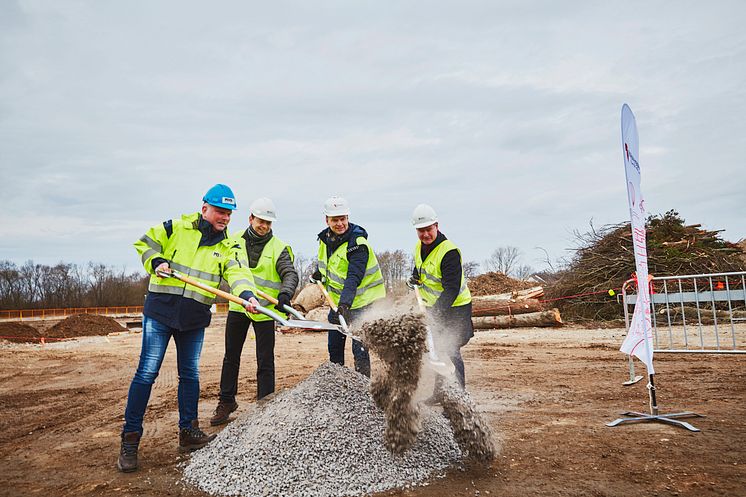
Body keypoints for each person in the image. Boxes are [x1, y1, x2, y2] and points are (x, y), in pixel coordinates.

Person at [118, 184, 260, 473]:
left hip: (194, 318)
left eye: (229, 214)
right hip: (160, 311)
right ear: (204, 207)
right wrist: (155, 261)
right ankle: (130, 440)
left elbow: (238, 273)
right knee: (147, 373)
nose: (225, 218)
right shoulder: (176, 228)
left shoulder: (229, 245)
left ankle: (188, 432)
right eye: (220, 211)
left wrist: (247, 296)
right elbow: (144, 243)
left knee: (190, 374)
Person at [210, 197, 299, 425]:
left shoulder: (278, 247)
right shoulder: (233, 240)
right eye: (261, 221)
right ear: (251, 218)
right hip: (238, 307)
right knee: (231, 356)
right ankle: (227, 401)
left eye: (269, 223)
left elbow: (289, 273)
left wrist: (285, 294)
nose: (265, 226)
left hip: (264, 310)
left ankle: (265, 404)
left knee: (265, 359)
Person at [311, 196, 386, 377]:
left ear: (348, 218)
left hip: (362, 302)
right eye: (335, 220)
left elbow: (353, 276)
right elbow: (329, 264)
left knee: (359, 346)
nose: (339, 224)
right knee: (334, 345)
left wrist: (345, 304)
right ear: (327, 220)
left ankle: (363, 384)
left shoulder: (358, 244)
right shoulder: (324, 240)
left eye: (343, 219)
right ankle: (337, 381)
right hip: (337, 302)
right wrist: (319, 273)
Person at [408, 203, 473, 389]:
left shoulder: (449, 252)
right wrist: (415, 278)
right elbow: (421, 270)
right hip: (434, 306)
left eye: (428, 229)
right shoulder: (418, 248)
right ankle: (439, 392)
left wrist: (434, 313)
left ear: (436, 225)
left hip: (455, 308)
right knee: (436, 347)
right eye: (421, 231)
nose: (425, 234)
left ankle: (459, 395)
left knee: (451, 349)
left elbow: (451, 289)